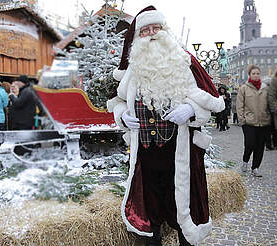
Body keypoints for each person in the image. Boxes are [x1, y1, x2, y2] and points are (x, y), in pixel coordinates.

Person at [107, 6, 225, 246]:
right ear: (138, 37)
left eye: (156, 28)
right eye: (146, 30)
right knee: (150, 208)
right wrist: (122, 116)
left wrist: (192, 110)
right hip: (147, 153)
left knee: (184, 206)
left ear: (165, 30)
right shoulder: (134, 67)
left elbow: (212, 101)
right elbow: (116, 100)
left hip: (180, 152)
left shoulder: (184, 61)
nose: (151, 34)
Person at [236, 65, 271, 177]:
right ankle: (245, 161)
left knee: (260, 146)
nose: (256, 75)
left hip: (263, 122)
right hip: (249, 122)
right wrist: (242, 119)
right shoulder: (244, 88)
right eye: (253, 73)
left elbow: (270, 103)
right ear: (249, 75)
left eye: (257, 73)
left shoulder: (265, 88)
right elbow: (239, 105)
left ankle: (255, 167)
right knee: (250, 144)